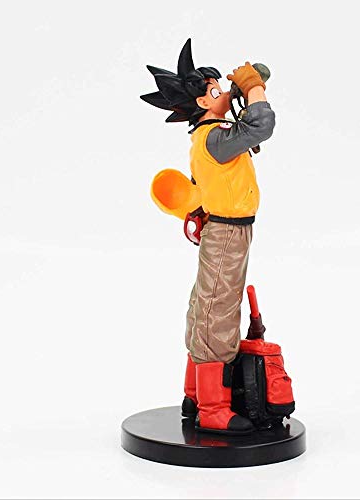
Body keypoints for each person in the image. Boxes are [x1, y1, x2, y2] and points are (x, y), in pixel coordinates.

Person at [141, 39, 275, 435]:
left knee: (207, 307)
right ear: (202, 103)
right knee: (218, 314)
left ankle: (194, 395)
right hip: (228, 232)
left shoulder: (211, 135)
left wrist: (246, 89)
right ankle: (213, 408)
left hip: (229, 229)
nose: (223, 94)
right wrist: (254, 89)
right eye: (215, 91)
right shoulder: (215, 138)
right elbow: (261, 126)